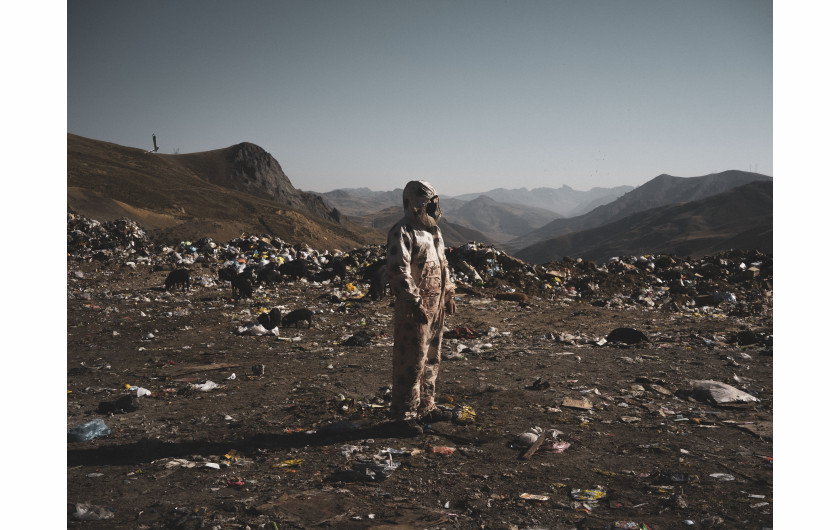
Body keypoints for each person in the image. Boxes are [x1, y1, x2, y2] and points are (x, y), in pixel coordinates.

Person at [385, 180, 456, 429]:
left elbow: (443, 264)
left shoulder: (434, 231)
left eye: (435, 203)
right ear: (415, 204)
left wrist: (448, 294)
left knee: (432, 357)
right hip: (413, 309)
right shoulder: (402, 231)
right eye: (429, 204)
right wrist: (413, 303)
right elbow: (398, 269)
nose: (434, 209)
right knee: (411, 359)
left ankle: (426, 406)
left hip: (435, 307)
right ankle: (403, 415)